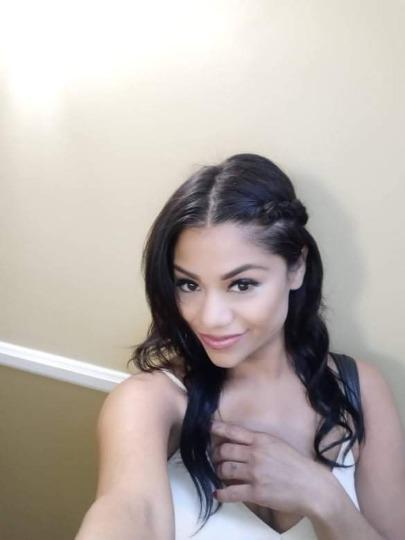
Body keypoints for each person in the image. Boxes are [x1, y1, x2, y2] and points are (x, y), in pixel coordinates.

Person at [76, 153, 405, 540]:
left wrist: (324, 498)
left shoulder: (361, 388)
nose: (210, 317)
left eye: (242, 284)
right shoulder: (149, 401)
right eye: (189, 284)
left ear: (296, 268)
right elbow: (130, 510)